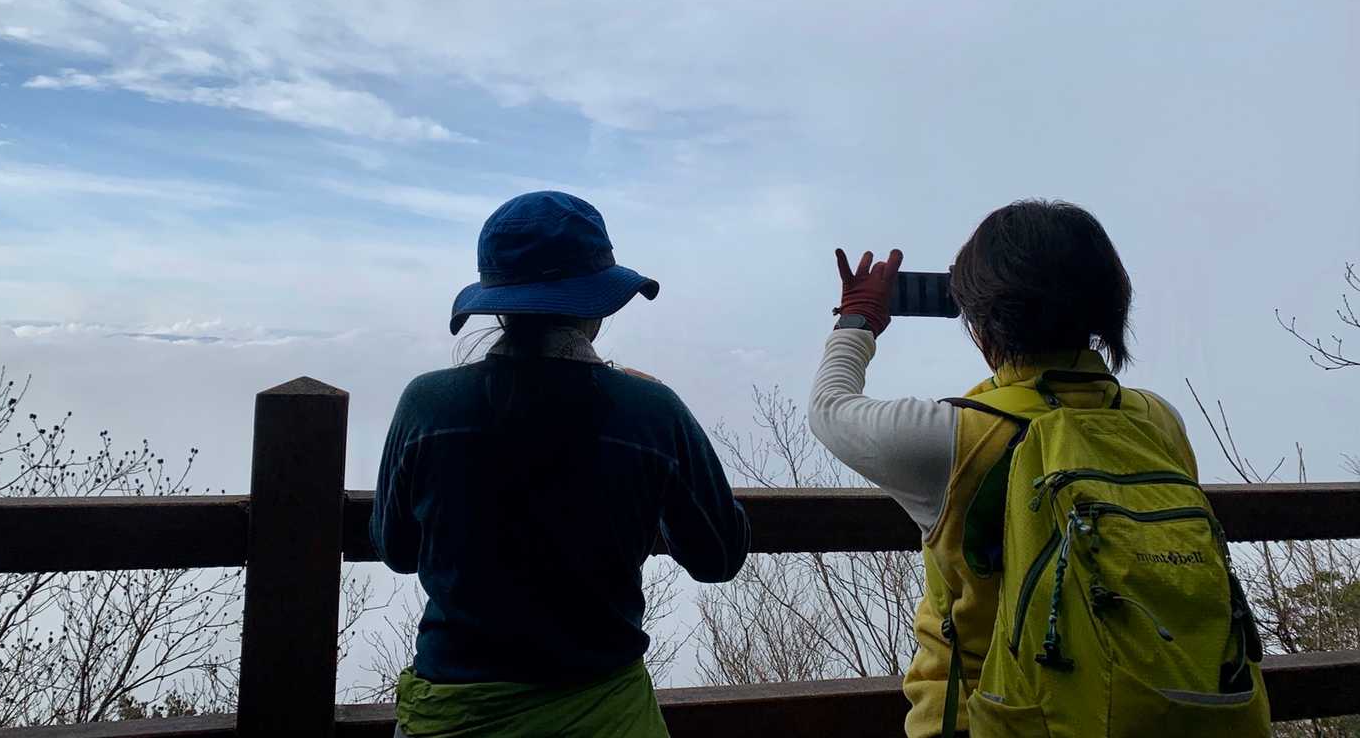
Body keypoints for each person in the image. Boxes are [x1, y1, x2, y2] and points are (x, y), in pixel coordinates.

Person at [808, 200, 1207, 738]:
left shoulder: (955, 437)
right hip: (1164, 707)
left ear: (983, 320)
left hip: (990, 719)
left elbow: (829, 409)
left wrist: (859, 320)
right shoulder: (1157, 420)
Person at [371, 190, 751, 738]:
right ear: (597, 304)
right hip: (607, 713)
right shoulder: (650, 411)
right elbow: (718, 556)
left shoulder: (427, 404)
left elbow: (398, 549)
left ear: (499, 304)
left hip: (453, 713)